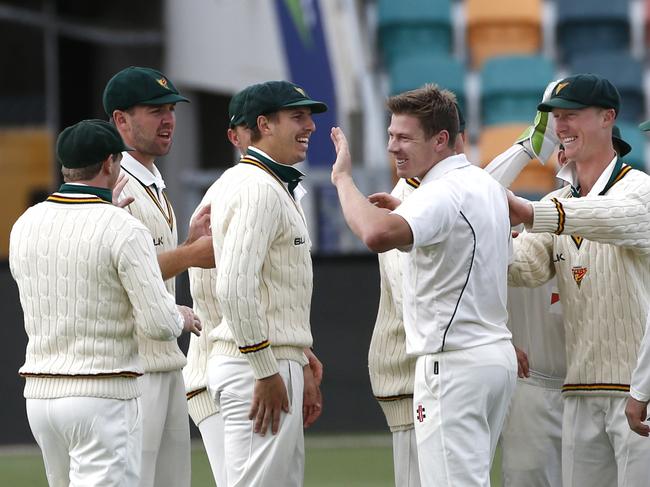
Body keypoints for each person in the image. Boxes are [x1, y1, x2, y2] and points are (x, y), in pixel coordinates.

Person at [331, 84, 517, 486]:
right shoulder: (485, 186)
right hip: (492, 358)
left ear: (441, 140)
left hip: (453, 364)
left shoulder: (440, 192)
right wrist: (411, 212)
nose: (393, 147)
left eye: (404, 138)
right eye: (390, 136)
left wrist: (343, 180)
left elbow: (376, 235)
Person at [9, 119, 201, 487]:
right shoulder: (123, 228)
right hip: (101, 395)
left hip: (41, 398)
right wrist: (181, 316)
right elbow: (159, 324)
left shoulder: (26, 224)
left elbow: (68, 284)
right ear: (111, 164)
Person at [507, 73, 650, 487]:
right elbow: (524, 267)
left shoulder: (640, 190)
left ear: (608, 117)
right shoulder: (556, 201)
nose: (561, 126)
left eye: (572, 115)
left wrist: (528, 212)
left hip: (639, 390)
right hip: (580, 391)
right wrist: (464, 229)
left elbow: (609, 217)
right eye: (556, 117)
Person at [205, 80, 327, 486]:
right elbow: (234, 287)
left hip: (265, 359)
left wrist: (299, 356)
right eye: (297, 116)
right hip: (256, 365)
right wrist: (266, 369)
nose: (310, 125)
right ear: (265, 124)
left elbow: (264, 286)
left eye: (308, 115)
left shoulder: (264, 184)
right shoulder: (258, 188)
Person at [102, 66, 214, 487]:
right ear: (121, 120)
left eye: (171, 109)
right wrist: (190, 254)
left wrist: (184, 245)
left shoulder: (152, 182)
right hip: (134, 367)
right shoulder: (117, 182)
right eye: (155, 111)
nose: (168, 120)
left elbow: (149, 259)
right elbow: (125, 272)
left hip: (166, 360)